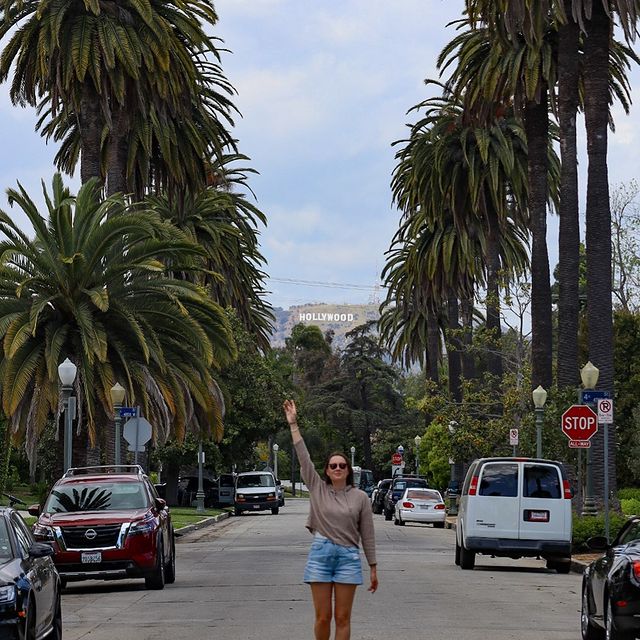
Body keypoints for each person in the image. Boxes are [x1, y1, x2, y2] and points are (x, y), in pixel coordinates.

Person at [283, 399, 377, 640]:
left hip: (348, 557)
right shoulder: (317, 487)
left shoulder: (360, 497)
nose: (337, 468)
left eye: (342, 465)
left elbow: (367, 534)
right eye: (333, 465)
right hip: (320, 555)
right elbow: (304, 458)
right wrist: (294, 424)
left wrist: (373, 567)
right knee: (323, 617)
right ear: (326, 470)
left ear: (348, 470)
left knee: (343, 618)